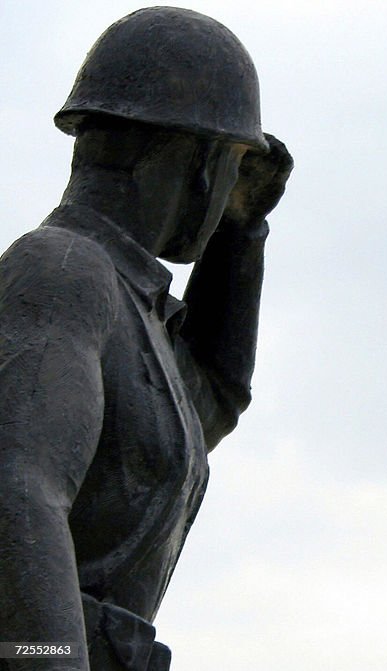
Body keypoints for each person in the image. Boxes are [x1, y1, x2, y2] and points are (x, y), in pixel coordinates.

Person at [0, 8, 292, 670]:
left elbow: (209, 403)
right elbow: (18, 489)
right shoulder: (63, 268)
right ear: (200, 168)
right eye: (225, 175)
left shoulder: (129, 304)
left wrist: (239, 236)